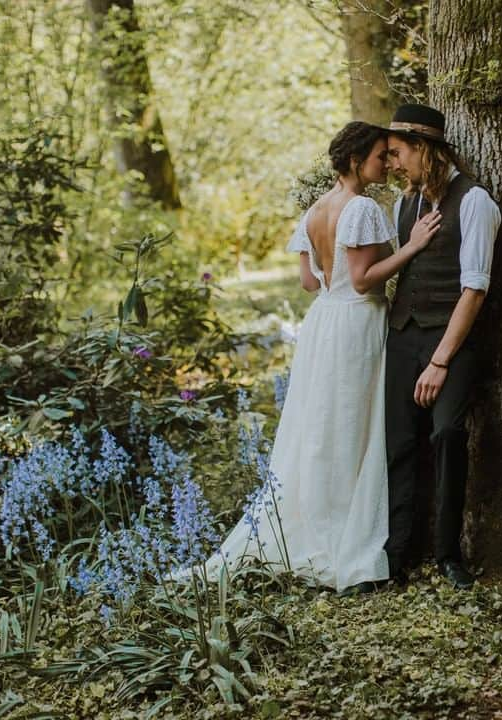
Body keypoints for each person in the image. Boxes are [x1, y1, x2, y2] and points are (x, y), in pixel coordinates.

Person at [176, 122, 442, 593]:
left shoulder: (316, 209)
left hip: (324, 322)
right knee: (354, 426)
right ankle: (344, 529)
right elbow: (362, 280)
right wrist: (415, 246)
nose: (386, 163)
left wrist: (336, 285)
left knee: (322, 426)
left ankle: (318, 516)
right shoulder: (360, 207)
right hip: (357, 321)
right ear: (357, 160)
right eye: (381, 156)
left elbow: (307, 281)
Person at [382, 104, 501, 590]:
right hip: (404, 335)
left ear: (423, 149)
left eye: (398, 153)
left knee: (446, 434)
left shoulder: (474, 203)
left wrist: (439, 361)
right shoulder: (403, 205)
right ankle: (396, 554)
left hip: (452, 342)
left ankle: (448, 553)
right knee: (398, 443)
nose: (392, 164)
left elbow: (474, 289)